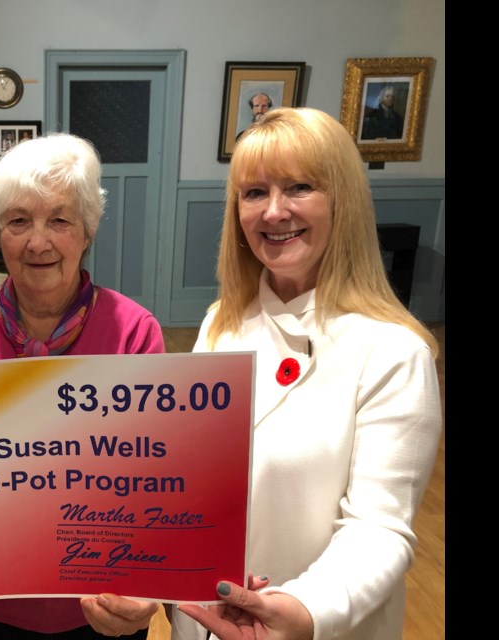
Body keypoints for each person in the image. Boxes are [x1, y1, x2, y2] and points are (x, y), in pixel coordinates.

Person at [171, 108, 441, 640]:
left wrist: (304, 609)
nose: (274, 212)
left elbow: (379, 529)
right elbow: (186, 474)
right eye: (253, 193)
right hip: (201, 621)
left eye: (299, 187)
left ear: (343, 200)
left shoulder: (393, 352)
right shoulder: (220, 325)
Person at [0, 132, 165, 639]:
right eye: (18, 220)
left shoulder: (136, 332)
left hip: (100, 605)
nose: (38, 242)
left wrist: (147, 583)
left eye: (60, 220)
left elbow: (151, 477)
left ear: (87, 231)